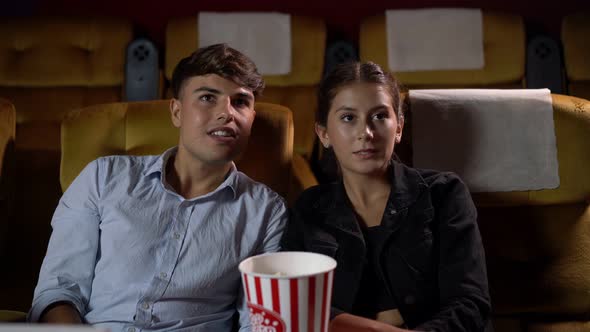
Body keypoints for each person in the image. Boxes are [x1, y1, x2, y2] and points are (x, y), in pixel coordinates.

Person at [28, 44, 288, 331]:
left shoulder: (266, 211)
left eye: (240, 102)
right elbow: (58, 291)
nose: (226, 113)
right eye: (207, 97)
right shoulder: (103, 177)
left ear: (251, 118)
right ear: (176, 112)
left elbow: (257, 321)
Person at [282, 61, 491, 332]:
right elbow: (297, 302)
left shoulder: (444, 193)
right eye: (348, 118)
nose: (366, 133)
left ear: (400, 127)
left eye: (380, 116)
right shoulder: (309, 208)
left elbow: (470, 304)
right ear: (324, 134)